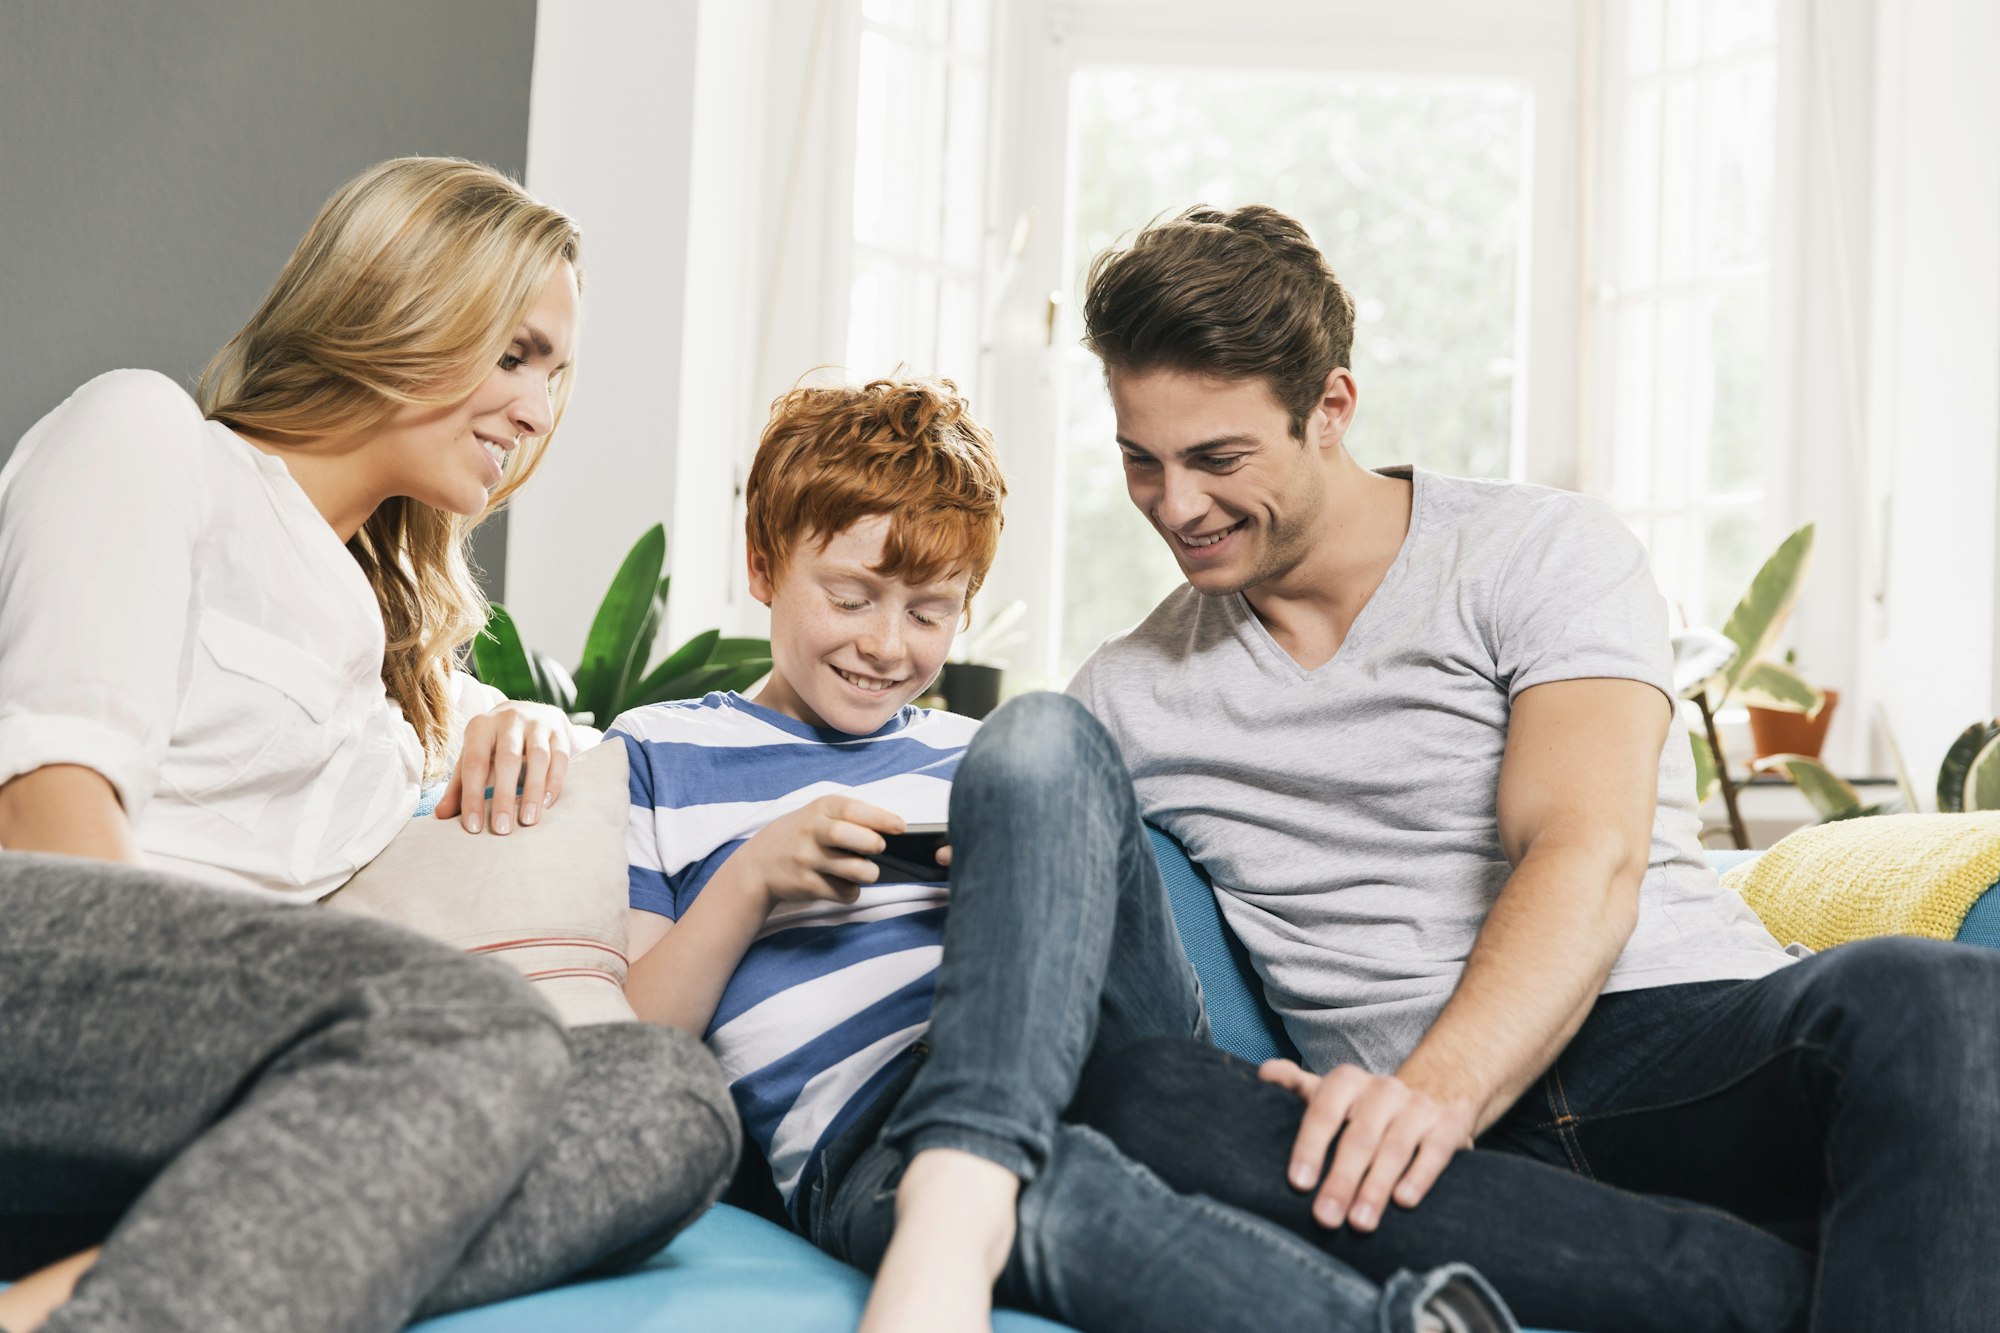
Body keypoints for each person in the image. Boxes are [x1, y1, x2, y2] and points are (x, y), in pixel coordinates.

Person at [1064, 203, 2000, 1332]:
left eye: (1216, 459)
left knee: (1940, 998)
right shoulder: (1125, 692)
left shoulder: (1538, 550)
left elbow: (1582, 847)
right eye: (1139, 461)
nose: (1175, 506)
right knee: (1140, 1098)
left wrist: (1434, 1095)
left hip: (1664, 1043)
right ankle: (1767, 1290)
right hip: (1417, 1155)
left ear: (1330, 409)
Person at [610, 376, 1518, 1333]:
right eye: (851, 597)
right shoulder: (659, 750)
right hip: (866, 1132)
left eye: (930, 611)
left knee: (1041, 740)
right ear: (762, 566)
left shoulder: (977, 752)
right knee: (1056, 1199)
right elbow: (634, 1047)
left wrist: (1018, 874)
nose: (886, 643)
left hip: (1082, 1064)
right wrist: (750, 880)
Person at [0, 157, 737, 1333]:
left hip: (186, 1118)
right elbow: (48, 816)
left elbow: (534, 749)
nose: (539, 411)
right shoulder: (150, 439)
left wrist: (529, 717)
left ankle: (101, 1292)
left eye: (557, 374)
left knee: (663, 1100)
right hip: (45, 1000)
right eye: (515, 354)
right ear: (398, 305)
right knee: (469, 1026)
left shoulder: (385, 671)